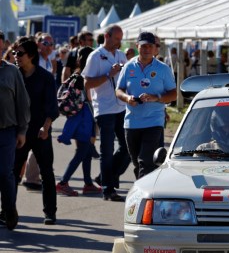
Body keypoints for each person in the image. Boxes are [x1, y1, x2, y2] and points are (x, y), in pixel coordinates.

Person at [116, 32, 176, 180]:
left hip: (154, 121)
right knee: (137, 163)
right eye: (143, 46)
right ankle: (146, 188)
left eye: (150, 46)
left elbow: (173, 94)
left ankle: (143, 197)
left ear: (155, 48)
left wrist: (157, 98)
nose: (147, 49)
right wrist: (127, 98)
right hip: (132, 122)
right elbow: (119, 90)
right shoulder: (129, 66)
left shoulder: (163, 69)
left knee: (146, 161)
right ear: (137, 47)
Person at [13, 37, 59, 225]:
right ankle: (7, 211)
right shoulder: (13, 75)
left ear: (31, 56)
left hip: (40, 132)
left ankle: (50, 212)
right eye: (15, 52)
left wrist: (46, 127)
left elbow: (52, 107)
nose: (16, 56)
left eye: (20, 53)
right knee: (12, 173)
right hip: (18, 133)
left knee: (46, 172)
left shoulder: (45, 77)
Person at [82, 24, 130, 202]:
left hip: (121, 107)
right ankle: (108, 189)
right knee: (107, 149)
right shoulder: (95, 56)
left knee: (127, 148)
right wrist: (109, 74)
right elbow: (87, 83)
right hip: (104, 108)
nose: (119, 42)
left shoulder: (121, 55)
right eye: (117, 38)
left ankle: (106, 177)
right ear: (106, 36)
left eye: (120, 38)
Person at [56, 47, 102, 197]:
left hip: (80, 117)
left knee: (87, 151)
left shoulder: (77, 75)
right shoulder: (85, 77)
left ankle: (88, 183)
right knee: (82, 151)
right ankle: (63, 182)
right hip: (83, 118)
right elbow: (90, 97)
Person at [0, 31, 30, 231]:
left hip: (6, 132)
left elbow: (22, 102)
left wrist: (22, 130)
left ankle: (9, 210)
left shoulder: (11, 72)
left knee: (4, 173)